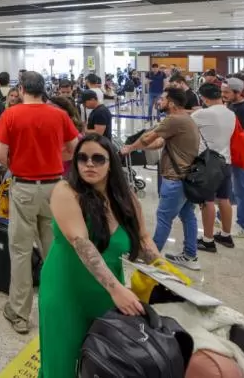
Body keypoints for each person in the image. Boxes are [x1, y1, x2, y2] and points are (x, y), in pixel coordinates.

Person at [40, 135, 160, 377]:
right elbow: (81, 242)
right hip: (67, 290)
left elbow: (145, 240)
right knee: (62, 365)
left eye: (98, 158)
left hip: (107, 294)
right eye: (82, 158)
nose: (89, 164)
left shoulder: (126, 199)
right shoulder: (66, 191)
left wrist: (166, 272)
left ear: (111, 163)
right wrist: (116, 290)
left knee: (103, 363)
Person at [0, 71, 80, 334]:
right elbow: (73, 147)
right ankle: (61, 306)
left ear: (21, 89)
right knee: (54, 250)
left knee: (20, 250)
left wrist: (18, 166)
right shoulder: (59, 115)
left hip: (25, 187)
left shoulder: (12, 115)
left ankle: (19, 313)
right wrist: (53, 156)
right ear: (44, 89)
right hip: (55, 187)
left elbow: (0, 155)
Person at [121, 88, 201, 271]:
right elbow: (159, 142)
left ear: (171, 103)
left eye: (163, 99)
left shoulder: (174, 119)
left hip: (175, 178)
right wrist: (142, 147)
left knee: (164, 217)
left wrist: (130, 148)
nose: (159, 102)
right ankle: (190, 255)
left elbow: (149, 138)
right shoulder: (185, 119)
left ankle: (151, 257)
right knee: (187, 215)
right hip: (186, 176)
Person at [191, 83, 236, 252]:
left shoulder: (203, 113)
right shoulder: (230, 113)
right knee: (224, 199)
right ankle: (226, 235)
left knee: (207, 201)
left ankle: (208, 239)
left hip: (208, 163)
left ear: (204, 98)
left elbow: (185, 122)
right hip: (226, 160)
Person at [225, 78, 244, 239]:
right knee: (232, 187)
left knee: (243, 190)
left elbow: (240, 135)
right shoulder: (233, 105)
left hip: (242, 156)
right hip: (231, 154)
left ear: (237, 92)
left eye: (227, 92)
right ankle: (221, 215)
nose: (223, 95)